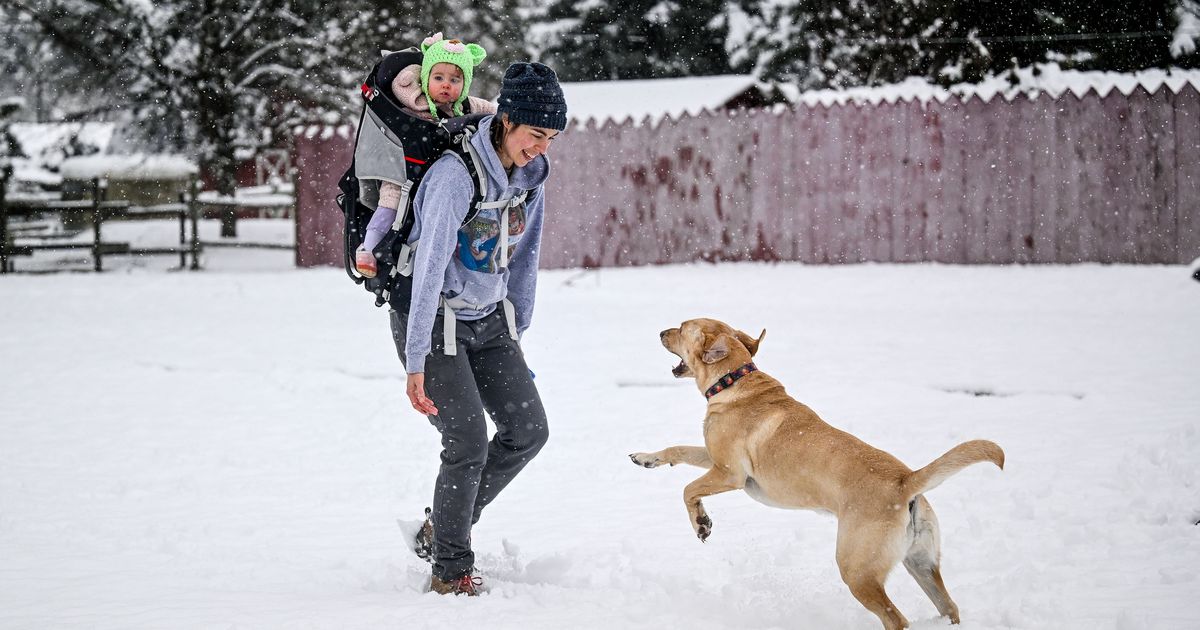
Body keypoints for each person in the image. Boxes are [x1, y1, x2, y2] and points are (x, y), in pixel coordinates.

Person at [391, 62, 568, 596]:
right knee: (465, 442)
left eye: (551, 138)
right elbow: (426, 270)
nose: (541, 147)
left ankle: (441, 528)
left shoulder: (528, 179)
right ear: (507, 120)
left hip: (490, 322)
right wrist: (416, 358)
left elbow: (524, 260)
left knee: (527, 430)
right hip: (436, 318)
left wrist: (518, 333)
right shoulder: (454, 175)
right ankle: (449, 571)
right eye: (535, 134)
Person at [355, 32, 495, 278]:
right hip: (404, 172)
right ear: (425, 77)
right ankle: (368, 247)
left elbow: (492, 110)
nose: (446, 85)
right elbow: (400, 86)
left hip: (442, 175)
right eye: (438, 77)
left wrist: (507, 114)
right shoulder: (415, 102)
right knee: (390, 202)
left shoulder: (464, 106)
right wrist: (411, 74)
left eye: (455, 80)